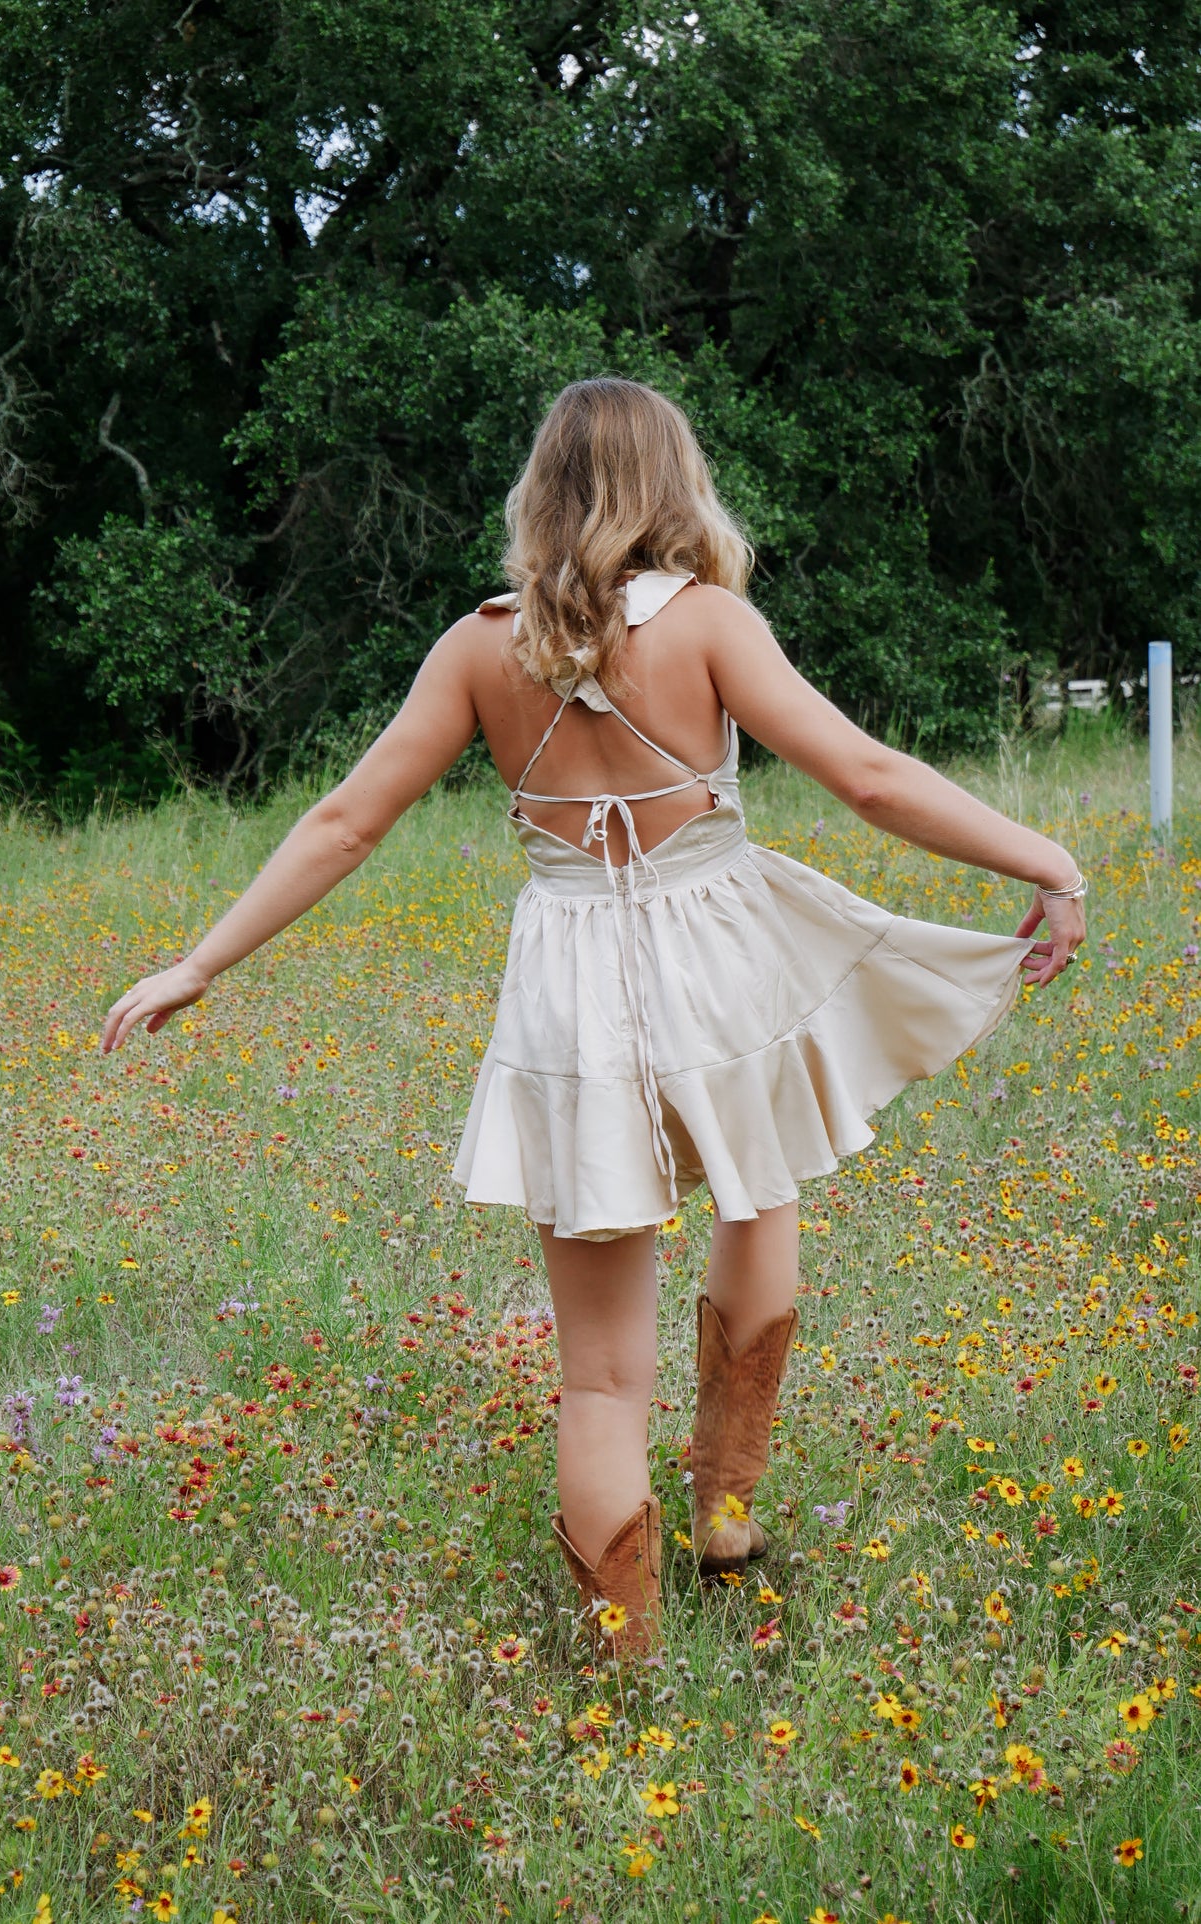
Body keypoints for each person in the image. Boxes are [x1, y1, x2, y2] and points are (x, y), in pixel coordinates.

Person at [99, 377, 1086, 1666]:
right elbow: (869, 776)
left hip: (569, 979)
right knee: (759, 1193)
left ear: (541, 494)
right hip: (722, 953)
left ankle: (626, 1680)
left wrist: (199, 963)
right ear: (673, 486)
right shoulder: (712, 626)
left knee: (600, 1375)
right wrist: (1046, 861)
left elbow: (346, 820)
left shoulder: (478, 648)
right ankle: (725, 1516)